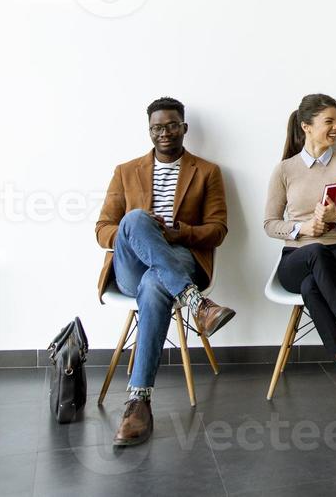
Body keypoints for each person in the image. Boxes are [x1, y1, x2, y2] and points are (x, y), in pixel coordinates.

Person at [95, 97, 236, 447]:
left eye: (172, 125)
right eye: (157, 127)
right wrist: (136, 230)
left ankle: (138, 402)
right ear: (149, 131)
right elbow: (102, 230)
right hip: (131, 264)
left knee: (156, 283)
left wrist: (179, 232)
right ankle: (196, 303)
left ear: (184, 127)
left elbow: (218, 229)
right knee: (135, 218)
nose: (165, 133)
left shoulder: (207, 171)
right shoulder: (125, 171)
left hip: (180, 257)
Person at [263, 93, 336, 422]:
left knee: (313, 286)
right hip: (297, 256)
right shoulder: (284, 170)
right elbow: (270, 224)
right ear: (306, 127)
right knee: (314, 254)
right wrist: (303, 228)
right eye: (329, 121)